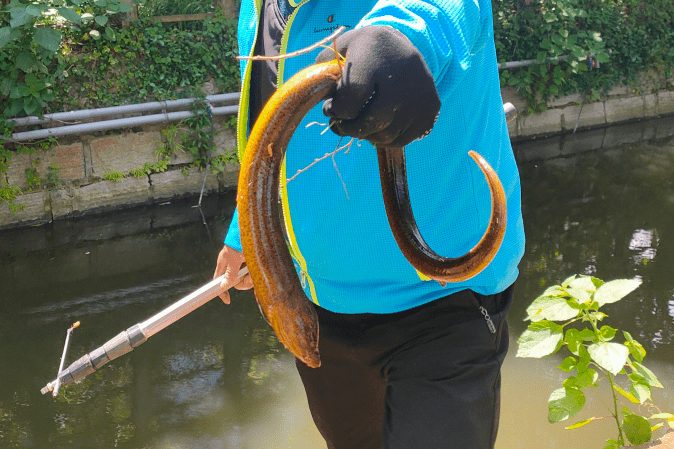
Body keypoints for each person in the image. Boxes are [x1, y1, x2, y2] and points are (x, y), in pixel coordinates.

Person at [213, 0, 526, 448]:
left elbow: (439, 10)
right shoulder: (258, 8)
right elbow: (266, 133)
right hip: (318, 311)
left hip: (446, 304)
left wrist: (399, 39)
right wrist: (245, 231)